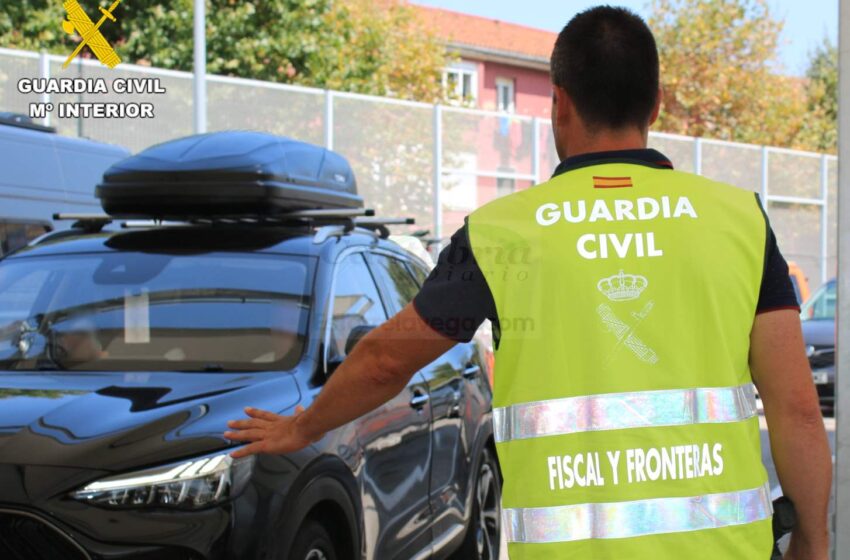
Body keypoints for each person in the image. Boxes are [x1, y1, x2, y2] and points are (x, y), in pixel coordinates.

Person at [225, 6, 832, 559]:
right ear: (656, 104)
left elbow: (387, 360)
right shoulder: (738, 221)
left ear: (558, 103)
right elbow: (798, 409)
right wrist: (813, 536)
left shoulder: (502, 233)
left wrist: (301, 426)